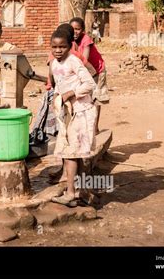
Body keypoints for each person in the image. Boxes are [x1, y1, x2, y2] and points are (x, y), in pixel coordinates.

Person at [49, 25, 97, 207]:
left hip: (81, 111)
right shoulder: (55, 64)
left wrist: (72, 93)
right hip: (67, 112)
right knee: (72, 153)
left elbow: (90, 84)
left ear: (69, 46)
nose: (58, 50)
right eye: (54, 47)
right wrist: (57, 94)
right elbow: (59, 84)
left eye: (61, 47)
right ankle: (81, 190)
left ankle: (71, 193)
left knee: (72, 154)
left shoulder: (74, 62)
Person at [70, 17, 109, 134]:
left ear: (82, 30)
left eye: (78, 29)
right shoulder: (69, 41)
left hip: (97, 71)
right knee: (83, 99)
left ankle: (95, 128)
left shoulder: (86, 40)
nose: (75, 32)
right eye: (73, 29)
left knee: (96, 99)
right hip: (84, 73)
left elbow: (84, 60)